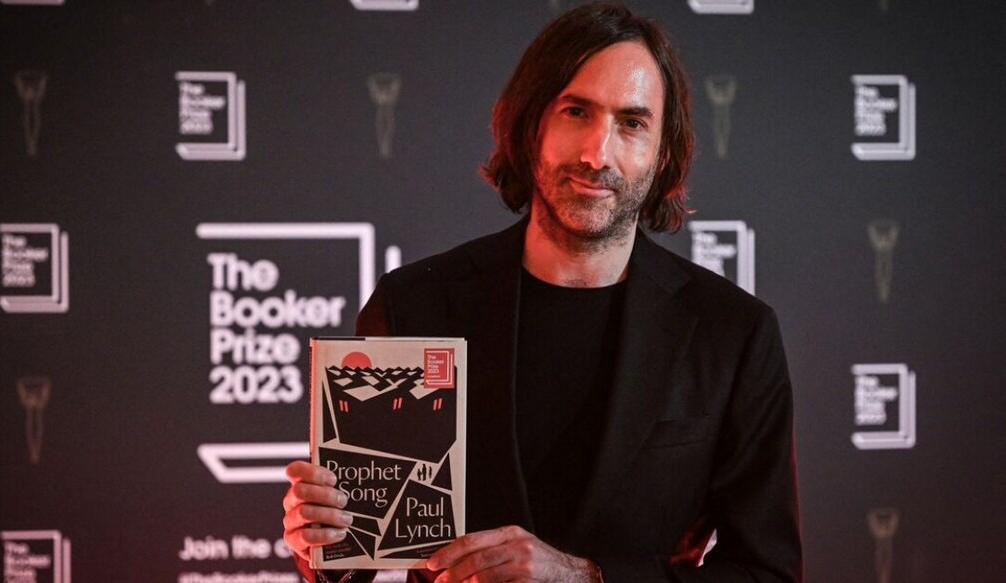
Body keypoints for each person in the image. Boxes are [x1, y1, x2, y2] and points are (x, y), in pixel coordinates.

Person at [282, 3, 803, 581]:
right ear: (531, 127)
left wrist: (587, 576)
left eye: (632, 123)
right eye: (575, 111)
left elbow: (766, 573)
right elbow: (357, 552)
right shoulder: (416, 303)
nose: (596, 154)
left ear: (662, 152)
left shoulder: (732, 333)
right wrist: (321, 543)